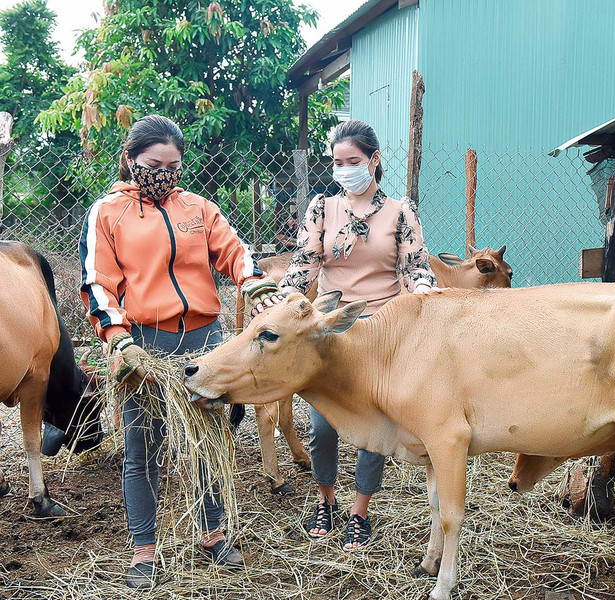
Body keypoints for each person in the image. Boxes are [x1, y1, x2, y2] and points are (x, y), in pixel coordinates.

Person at [79, 115, 280, 589]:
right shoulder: (108, 213)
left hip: (204, 341)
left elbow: (234, 252)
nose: (165, 173)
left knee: (210, 443)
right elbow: (97, 283)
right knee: (141, 450)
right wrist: (117, 337)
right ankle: (143, 550)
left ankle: (212, 534)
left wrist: (253, 284)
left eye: (174, 165)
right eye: (154, 164)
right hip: (142, 345)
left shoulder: (199, 208)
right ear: (131, 159)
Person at [271, 119, 438, 550]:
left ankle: (359, 511)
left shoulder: (400, 212)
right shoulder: (321, 209)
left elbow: (416, 267)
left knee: (372, 426)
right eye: (337, 162)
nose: (344, 169)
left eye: (353, 161)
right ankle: (325, 500)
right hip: (330, 329)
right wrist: (283, 300)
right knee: (323, 424)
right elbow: (303, 264)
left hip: (381, 332)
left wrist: (422, 290)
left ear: (374, 160)